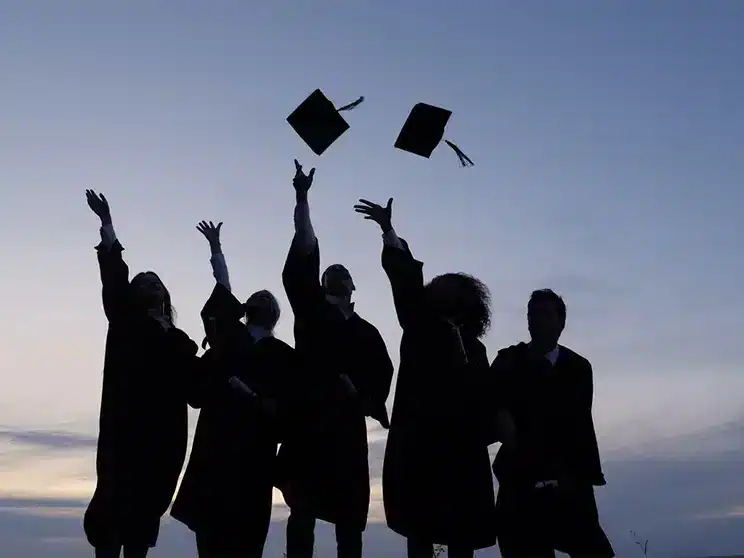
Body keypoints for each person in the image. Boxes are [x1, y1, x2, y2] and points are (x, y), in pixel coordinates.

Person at [353, 198, 498, 558]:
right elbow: (406, 282)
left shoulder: (475, 349)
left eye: (449, 285)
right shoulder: (420, 328)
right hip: (422, 451)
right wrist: (388, 231)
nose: (439, 287)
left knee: (460, 539)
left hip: (462, 455)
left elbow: (485, 399)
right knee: (420, 533)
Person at [277, 161, 395, 558]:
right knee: (302, 517)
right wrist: (302, 197)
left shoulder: (367, 332)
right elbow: (305, 245)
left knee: (348, 523)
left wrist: (360, 396)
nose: (335, 275)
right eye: (329, 272)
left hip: (344, 429)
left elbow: (382, 374)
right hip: (307, 424)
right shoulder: (312, 312)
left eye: (342, 273)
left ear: (352, 286)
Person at [82, 190, 199, 558]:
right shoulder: (126, 323)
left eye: (155, 281)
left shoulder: (180, 341)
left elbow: (195, 386)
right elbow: (115, 278)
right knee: (111, 525)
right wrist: (107, 224)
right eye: (142, 281)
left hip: (162, 443)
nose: (148, 282)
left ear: (164, 296)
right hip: (125, 436)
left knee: (138, 532)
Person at [170, 220, 295, 557]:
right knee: (211, 541)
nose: (263, 299)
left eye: (267, 301)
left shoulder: (284, 356)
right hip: (216, 454)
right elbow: (223, 290)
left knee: (246, 541)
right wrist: (215, 249)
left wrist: (255, 399)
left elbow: (289, 410)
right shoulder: (229, 343)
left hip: (253, 460)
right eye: (256, 299)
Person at [489, 289, 615, 558]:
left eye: (545, 314)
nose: (536, 320)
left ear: (561, 322)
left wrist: (580, 474)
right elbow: (493, 412)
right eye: (531, 314)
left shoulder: (579, 368)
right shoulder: (507, 362)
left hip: (569, 483)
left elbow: (578, 425)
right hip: (521, 484)